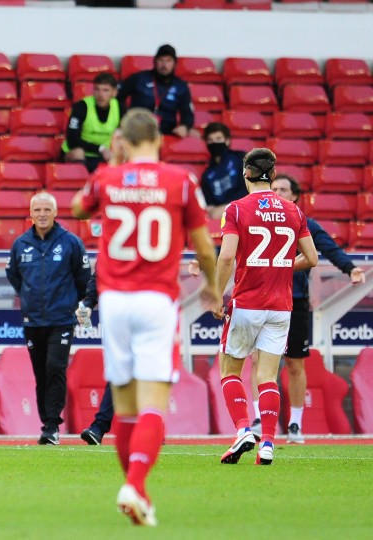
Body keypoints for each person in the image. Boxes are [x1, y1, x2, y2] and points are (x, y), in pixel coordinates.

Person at [72, 109, 219, 526]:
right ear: (158, 138)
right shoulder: (181, 181)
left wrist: (112, 168)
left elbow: (79, 208)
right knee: (155, 402)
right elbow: (205, 248)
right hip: (156, 299)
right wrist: (210, 284)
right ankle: (135, 485)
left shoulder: (107, 178)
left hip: (114, 300)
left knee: (124, 404)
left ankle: (139, 494)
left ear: (123, 141)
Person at [215, 149, 318, 467]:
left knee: (230, 370)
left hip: (247, 302)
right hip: (281, 306)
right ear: (272, 176)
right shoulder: (294, 212)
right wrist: (282, 266)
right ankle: (269, 444)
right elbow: (312, 259)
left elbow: (228, 256)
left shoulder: (235, 209)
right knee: (267, 376)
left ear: (246, 173)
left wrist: (217, 294)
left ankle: (244, 429)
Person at [245, 174, 365, 444]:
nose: (277, 192)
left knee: (294, 363)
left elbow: (328, 248)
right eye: (273, 188)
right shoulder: (254, 220)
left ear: (295, 195)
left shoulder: (304, 223)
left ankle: (296, 425)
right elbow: (231, 247)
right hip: (260, 298)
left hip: (294, 300)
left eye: (283, 189)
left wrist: (351, 268)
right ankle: (258, 419)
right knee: (257, 360)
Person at [5, 192, 91, 445]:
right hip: (33, 321)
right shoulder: (21, 244)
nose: (42, 214)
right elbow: (14, 275)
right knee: (41, 373)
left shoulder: (71, 243)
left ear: (55, 213)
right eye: (37, 210)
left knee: (55, 367)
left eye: (46, 210)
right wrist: (30, 298)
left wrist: (73, 304)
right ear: (30, 214)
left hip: (62, 319)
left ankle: (52, 424)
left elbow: (84, 279)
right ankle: (47, 425)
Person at [118, 44, 195, 138]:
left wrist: (185, 126)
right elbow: (118, 99)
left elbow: (187, 112)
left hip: (166, 132)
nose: (164, 65)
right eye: (161, 60)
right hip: (137, 130)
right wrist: (124, 117)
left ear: (175, 64)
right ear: (155, 61)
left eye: (168, 61)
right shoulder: (138, 78)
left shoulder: (181, 86)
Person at [75, 270, 115, 446]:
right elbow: (101, 272)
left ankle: (153, 429)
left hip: (148, 310)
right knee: (119, 374)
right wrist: (89, 303)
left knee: (147, 374)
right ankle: (98, 427)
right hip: (124, 311)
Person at [63, 73, 122, 173]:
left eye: (105, 90)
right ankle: (80, 183)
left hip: (104, 154)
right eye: (97, 89)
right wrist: (100, 148)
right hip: (80, 152)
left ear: (114, 92)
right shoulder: (81, 107)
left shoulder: (120, 108)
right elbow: (72, 140)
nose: (100, 94)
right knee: (78, 152)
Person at [200, 123, 247, 220]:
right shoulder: (207, 175)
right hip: (222, 216)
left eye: (218, 139)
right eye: (210, 140)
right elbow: (210, 206)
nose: (214, 143)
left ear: (227, 141)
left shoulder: (241, 158)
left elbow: (248, 189)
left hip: (245, 207)